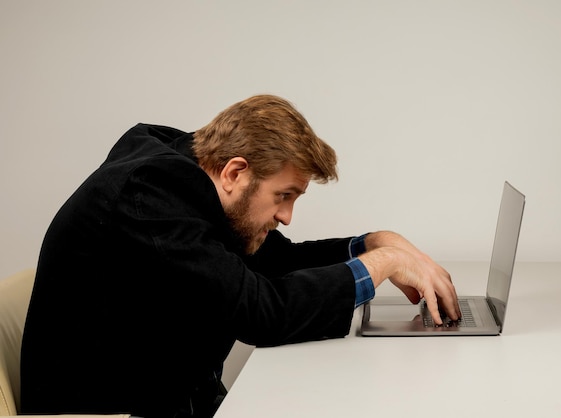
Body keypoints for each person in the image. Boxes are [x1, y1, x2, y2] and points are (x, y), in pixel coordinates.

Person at [21, 94, 461, 418]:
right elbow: (261, 314)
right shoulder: (152, 198)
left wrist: (373, 243)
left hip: (172, 397)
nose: (287, 216)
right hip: (116, 413)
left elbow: (275, 263)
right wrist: (381, 266)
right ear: (235, 172)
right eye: (283, 196)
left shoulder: (190, 177)